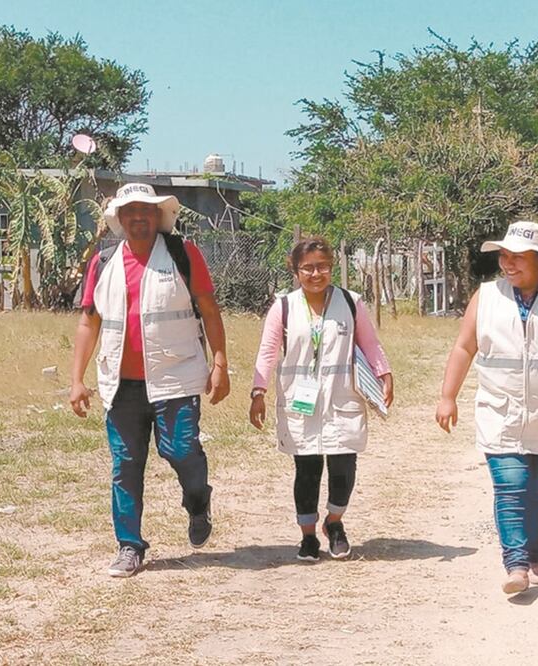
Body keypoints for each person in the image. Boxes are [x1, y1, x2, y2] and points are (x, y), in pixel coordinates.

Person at [70, 182, 230, 578]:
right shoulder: (103, 263)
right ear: (120, 220)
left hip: (176, 378)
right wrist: (76, 380)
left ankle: (198, 502)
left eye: (146, 210)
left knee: (181, 451)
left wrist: (221, 363)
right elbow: (88, 322)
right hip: (121, 385)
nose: (139, 217)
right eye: (131, 211)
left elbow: (209, 309)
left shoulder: (182, 253)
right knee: (125, 465)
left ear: (158, 216)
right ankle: (129, 545)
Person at [435, 220, 538, 594]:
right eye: (504, 256)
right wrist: (448, 396)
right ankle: (516, 566)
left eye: (518, 258)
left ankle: (534, 558)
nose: (507, 264)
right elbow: (464, 347)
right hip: (500, 410)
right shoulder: (486, 296)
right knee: (511, 487)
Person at [250, 237, 393, 561]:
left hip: (342, 397)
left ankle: (335, 522)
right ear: (295, 270)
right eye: (308, 268)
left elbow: (370, 345)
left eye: (323, 266)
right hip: (301, 401)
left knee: (344, 464)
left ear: (332, 267)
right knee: (307, 468)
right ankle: (308, 536)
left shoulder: (351, 302)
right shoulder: (283, 307)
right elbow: (268, 352)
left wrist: (385, 374)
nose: (316, 274)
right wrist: (258, 391)